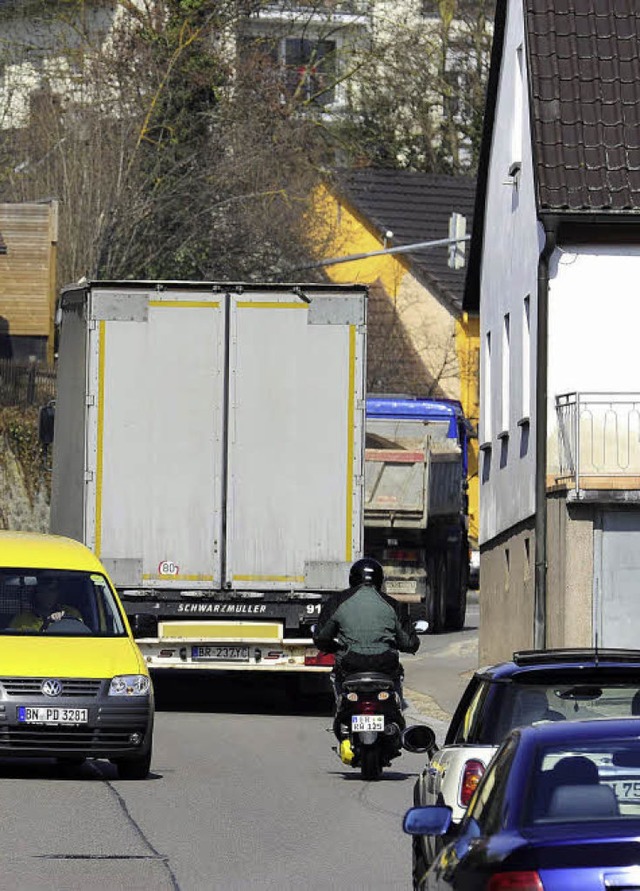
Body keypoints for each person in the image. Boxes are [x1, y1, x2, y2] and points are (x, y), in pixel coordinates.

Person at [313, 557, 420, 704]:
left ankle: (340, 707)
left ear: (352, 579)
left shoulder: (338, 601)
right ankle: (397, 710)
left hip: (349, 664)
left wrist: (336, 647)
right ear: (379, 580)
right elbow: (410, 643)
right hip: (385, 664)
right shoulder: (393, 605)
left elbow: (321, 638)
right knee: (397, 674)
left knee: (335, 675)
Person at [9, 575, 82, 632]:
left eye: (51, 590)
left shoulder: (71, 613)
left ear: (58, 592)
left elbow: (82, 635)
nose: (47, 595)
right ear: (36, 593)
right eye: (43, 591)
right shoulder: (22, 619)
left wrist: (65, 619)